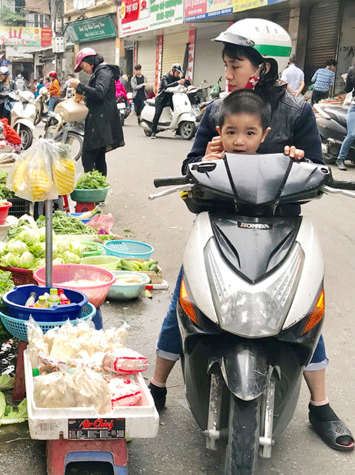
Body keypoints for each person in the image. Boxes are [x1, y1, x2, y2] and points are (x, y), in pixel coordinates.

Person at [148, 18, 354, 453]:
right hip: (220, 220)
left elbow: (319, 170)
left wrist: (299, 161)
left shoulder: (297, 111)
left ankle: (320, 405)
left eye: (234, 65)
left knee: (303, 310)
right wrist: (204, 156)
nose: (226, 74)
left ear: (263, 66)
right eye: (226, 66)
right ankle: (157, 385)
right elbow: (189, 167)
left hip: (282, 224)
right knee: (186, 301)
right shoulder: (216, 110)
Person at [68, 48, 124, 177]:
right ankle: (98, 192)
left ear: (90, 61)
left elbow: (99, 93)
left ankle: (93, 188)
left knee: (88, 157)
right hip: (99, 121)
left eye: (83, 66)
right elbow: (96, 95)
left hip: (101, 123)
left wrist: (80, 86)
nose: (84, 70)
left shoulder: (103, 72)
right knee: (99, 158)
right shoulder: (99, 73)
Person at [150, 63, 185, 138]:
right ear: (173, 70)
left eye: (179, 73)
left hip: (171, 99)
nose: (178, 74)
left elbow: (182, 84)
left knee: (178, 111)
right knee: (157, 113)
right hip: (161, 99)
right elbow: (166, 86)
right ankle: (153, 132)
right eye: (177, 72)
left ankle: (178, 132)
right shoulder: (165, 77)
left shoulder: (177, 78)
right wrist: (177, 82)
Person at [335, 60, 355, 171]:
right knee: (352, 134)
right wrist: (348, 80)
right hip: (354, 107)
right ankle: (340, 158)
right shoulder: (352, 70)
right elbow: (347, 89)